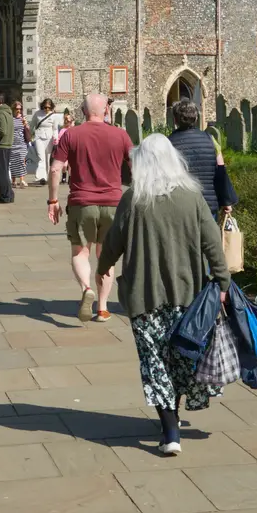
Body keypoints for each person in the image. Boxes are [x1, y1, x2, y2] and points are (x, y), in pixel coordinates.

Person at [95, 134, 231, 456]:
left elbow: (114, 240)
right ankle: (173, 417)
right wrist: (223, 282)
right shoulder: (192, 197)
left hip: (144, 296)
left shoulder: (133, 199)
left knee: (154, 361)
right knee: (180, 358)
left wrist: (103, 266)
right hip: (188, 294)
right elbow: (213, 243)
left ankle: (170, 428)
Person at [47, 93, 132, 322]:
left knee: (80, 253)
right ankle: (103, 308)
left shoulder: (71, 135)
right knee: (106, 256)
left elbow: (55, 169)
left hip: (81, 203)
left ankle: (86, 289)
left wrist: (53, 201)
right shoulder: (121, 135)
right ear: (106, 111)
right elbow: (136, 166)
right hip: (113, 204)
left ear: (83, 112)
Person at [167, 100, 233, 221]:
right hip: (208, 205)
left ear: (175, 120)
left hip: (180, 207)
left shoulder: (168, 143)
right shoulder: (210, 140)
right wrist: (226, 200)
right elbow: (221, 172)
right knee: (208, 240)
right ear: (196, 118)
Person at [30, 98, 59, 184]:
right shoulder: (37, 114)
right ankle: (41, 176)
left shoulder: (54, 116)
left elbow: (55, 129)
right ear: (43, 106)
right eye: (45, 107)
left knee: (48, 157)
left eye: (49, 107)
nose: (47, 109)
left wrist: (55, 138)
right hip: (39, 136)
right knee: (41, 157)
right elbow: (32, 125)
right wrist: (31, 135)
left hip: (49, 137)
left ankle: (47, 176)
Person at [10, 100, 31, 187]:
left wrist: (26, 124)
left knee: (22, 161)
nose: (18, 110)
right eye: (16, 108)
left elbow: (28, 129)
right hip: (13, 143)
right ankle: (14, 180)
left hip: (22, 143)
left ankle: (22, 180)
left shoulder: (23, 118)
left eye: (20, 109)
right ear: (13, 109)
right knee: (13, 161)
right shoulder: (11, 118)